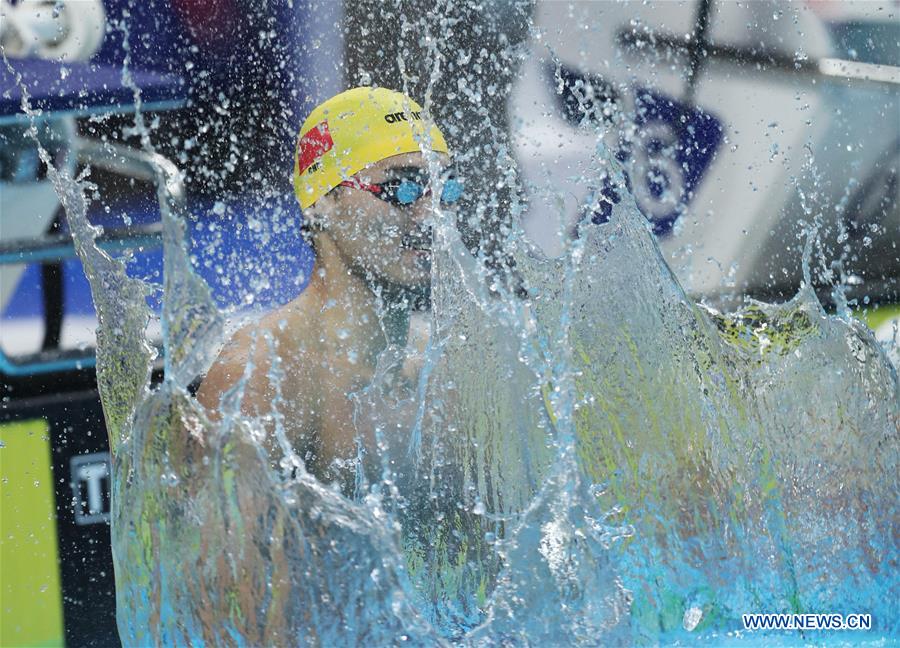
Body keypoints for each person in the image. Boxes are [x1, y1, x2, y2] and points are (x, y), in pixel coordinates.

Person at [196, 86, 461, 488]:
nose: (431, 215)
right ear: (323, 203)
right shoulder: (263, 377)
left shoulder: (440, 368)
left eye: (445, 189)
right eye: (402, 189)